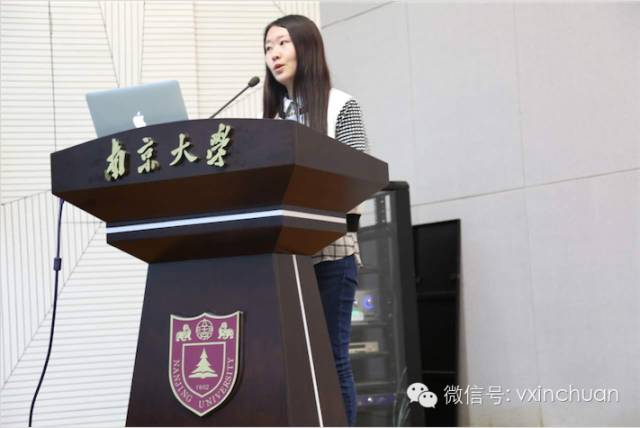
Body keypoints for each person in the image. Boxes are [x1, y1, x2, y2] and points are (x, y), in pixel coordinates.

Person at [262, 14, 369, 427]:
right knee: (295, 361)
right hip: (287, 258)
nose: (274, 54)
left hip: (331, 253)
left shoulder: (340, 104)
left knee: (331, 356)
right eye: (268, 47)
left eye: (282, 43)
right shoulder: (273, 122)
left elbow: (360, 180)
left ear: (306, 48)